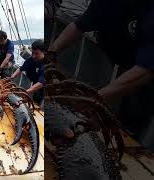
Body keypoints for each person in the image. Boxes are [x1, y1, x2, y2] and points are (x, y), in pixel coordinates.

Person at [46, 0, 154, 138]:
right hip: (128, 63)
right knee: (119, 106)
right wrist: (51, 53)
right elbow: (79, 25)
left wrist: (95, 98)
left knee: (137, 115)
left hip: (146, 71)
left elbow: (145, 70)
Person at [11, 39, 46, 105]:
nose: (33, 56)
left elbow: (41, 83)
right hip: (36, 86)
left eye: (37, 53)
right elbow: (21, 69)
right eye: (32, 53)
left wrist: (26, 92)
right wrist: (11, 77)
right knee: (36, 102)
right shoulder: (31, 60)